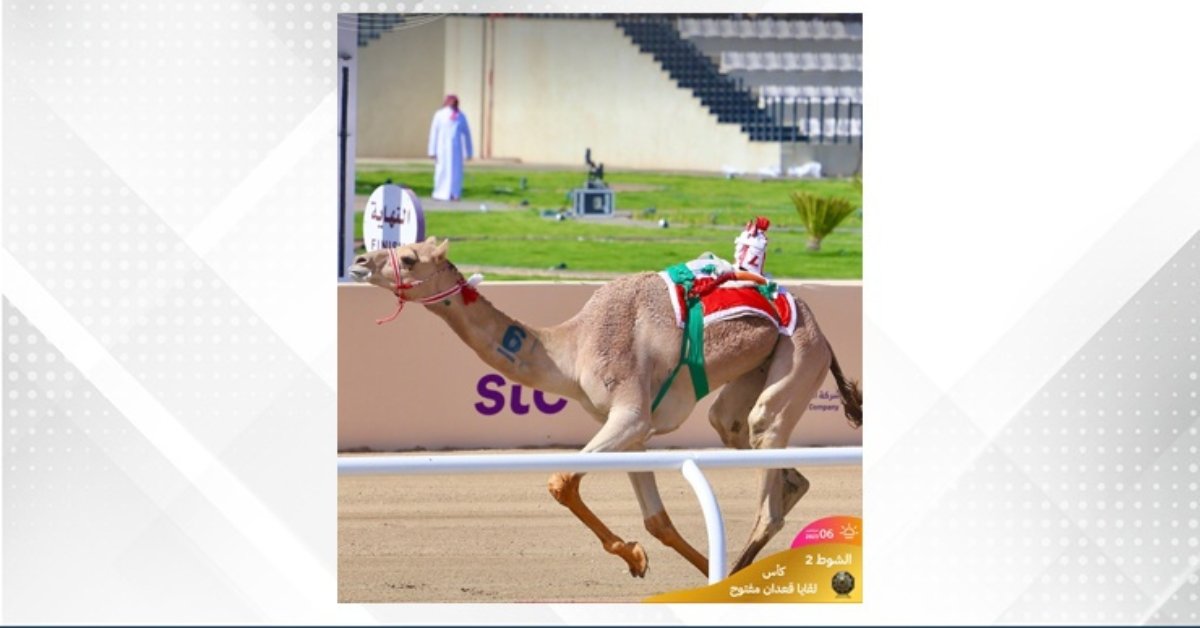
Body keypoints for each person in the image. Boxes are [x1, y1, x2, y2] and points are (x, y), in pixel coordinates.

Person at [427, 94, 474, 201]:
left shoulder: (461, 116)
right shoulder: (439, 115)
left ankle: (454, 193)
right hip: (442, 149)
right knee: (441, 171)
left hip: (456, 150)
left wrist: (468, 152)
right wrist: (432, 151)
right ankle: (439, 193)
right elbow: (434, 132)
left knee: (456, 172)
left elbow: (467, 134)